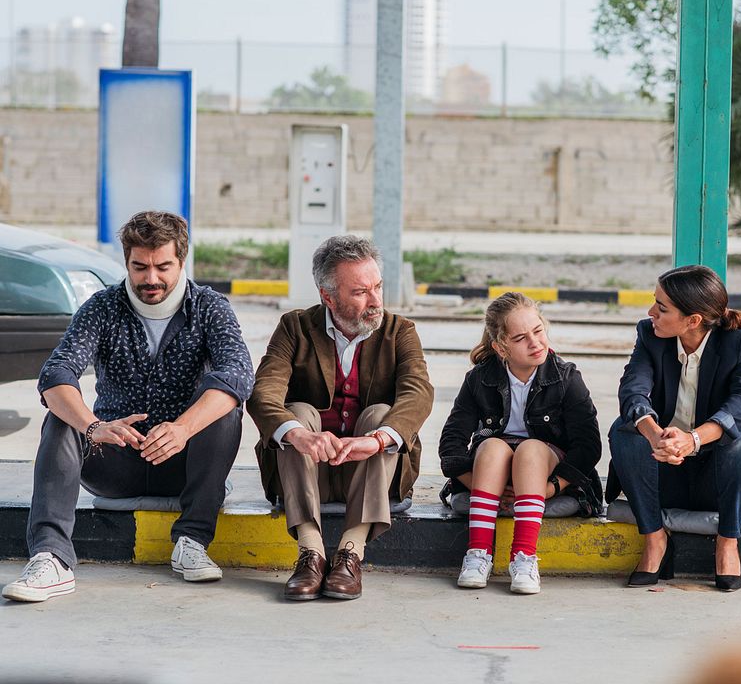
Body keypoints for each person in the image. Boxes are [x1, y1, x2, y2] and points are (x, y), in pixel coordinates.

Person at [2, 211, 254, 603]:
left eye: (162, 267)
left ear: (182, 261)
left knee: (225, 405)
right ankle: (51, 558)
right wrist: (92, 426)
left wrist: (183, 428)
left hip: (183, 464)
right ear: (127, 262)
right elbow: (56, 374)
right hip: (113, 463)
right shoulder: (102, 307)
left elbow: (239, 373)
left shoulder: (209, 307)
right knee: (61, 415)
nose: (151, 278)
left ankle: (191, 541)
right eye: (140, 267)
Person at [247, 235, 433, 601]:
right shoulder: (295, 328)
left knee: (382, 415)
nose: (376, 300)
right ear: (328, 297)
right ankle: (311, 551)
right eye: (360, 292)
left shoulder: (400, 332)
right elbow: (263, 392)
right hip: (306, 469)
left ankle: (351, 552)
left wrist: (377, 439)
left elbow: (418, 393)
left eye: (378, 286)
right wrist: (297, 434)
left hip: (372, 474)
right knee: (296, 414)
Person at [608, 265, 741, 592]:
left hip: (722, 481)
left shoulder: (740, 343)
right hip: (665, 473)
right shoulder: (650, 336)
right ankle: (654, 540)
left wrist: (692, 440)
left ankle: (727, 543)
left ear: (692, 320)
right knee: (624, 429)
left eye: (662, 308)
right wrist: (656, 435)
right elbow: (633, 389)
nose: (651, 312)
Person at [439, 292, 602, 594]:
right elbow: (451, 446)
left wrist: (550, 488)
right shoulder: (479, 379)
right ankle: (478, 554)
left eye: (538, 331)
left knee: (528, 449)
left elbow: (588, 446)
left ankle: (524, 556)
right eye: (521, 338)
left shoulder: (565, 378)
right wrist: (481, 485)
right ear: (501, 347)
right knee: (491, 446)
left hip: (546, 473)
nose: (535, 342)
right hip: (490, 475)